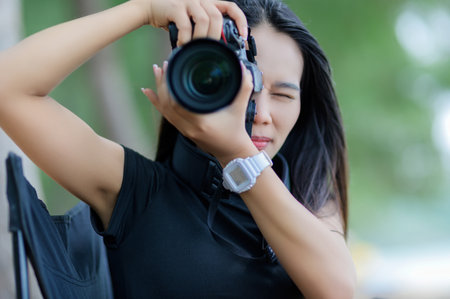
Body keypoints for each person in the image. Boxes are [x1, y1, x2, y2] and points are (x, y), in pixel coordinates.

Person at [0, 0, 356, 297]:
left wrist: (236, 152)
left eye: (283, 95)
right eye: (243, 87)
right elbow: (8, 89)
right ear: (198, 85)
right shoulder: (135, 190)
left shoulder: (310, 195)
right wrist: (143, 9)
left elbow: (337, 290)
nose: (261, 113)